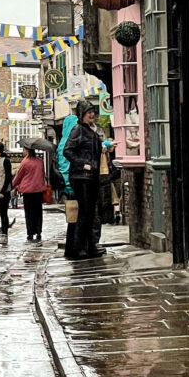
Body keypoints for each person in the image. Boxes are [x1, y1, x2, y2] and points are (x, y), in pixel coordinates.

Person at [64, 102, 104, 260]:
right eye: (88, 113)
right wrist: (82, 164)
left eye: (93, 112)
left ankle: (90, 246)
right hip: (81, 177)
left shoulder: (91, 131)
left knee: (91, 213)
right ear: (81, 114)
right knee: (84, 213)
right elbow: (67, 150)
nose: (92, 115)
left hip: (92, 177)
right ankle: (79, 248)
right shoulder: (78, 130)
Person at [57, 100, 89, 259]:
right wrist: (70, 184)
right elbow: (65, 166)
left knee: (73, 218)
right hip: (73, 184)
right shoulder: (69, 142)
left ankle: (72, 248)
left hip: (70, 184)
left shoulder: (63, 141)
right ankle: (74, 249)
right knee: (76, 218)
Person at [12, 146, 46, 242]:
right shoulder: (40, 162)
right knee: (38, 212)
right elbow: (42, 175)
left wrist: (13, 185)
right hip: (38, 190)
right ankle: (38, 231)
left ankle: (30, 232)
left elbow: (19, 176)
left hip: (28, 191)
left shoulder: (25, 162)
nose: (22, 152)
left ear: (27, 151)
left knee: (29, 212)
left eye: (23, 150)